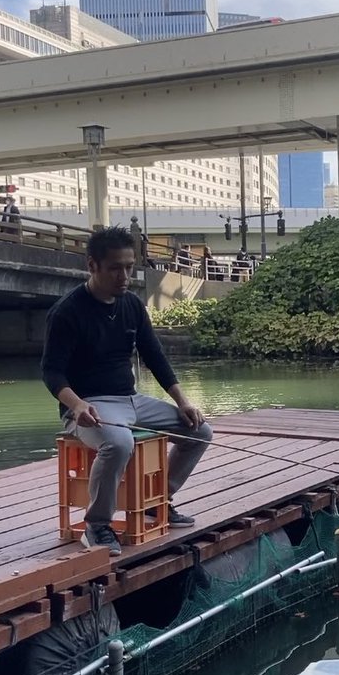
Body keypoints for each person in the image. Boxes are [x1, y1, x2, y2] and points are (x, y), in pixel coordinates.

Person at [42, 225, 213, 557]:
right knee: (119, 443)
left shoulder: (132, 305)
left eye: (129, 267)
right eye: (115, 268)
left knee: (201, 431)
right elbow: (51, 371)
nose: (124, 276)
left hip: (131, 400)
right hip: (88, 407)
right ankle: (97, 526)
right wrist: (76, 405)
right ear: (92, 266)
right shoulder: (67, 312)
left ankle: (158, 502)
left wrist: (182, 401)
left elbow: (154, 356)